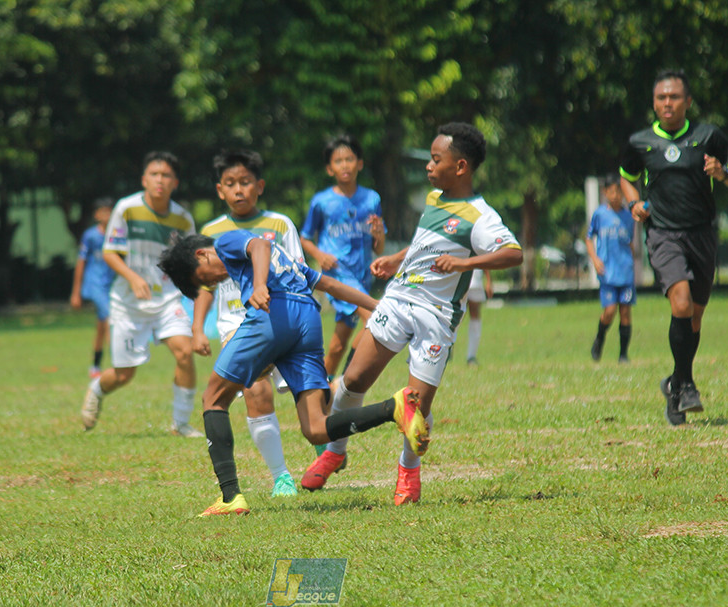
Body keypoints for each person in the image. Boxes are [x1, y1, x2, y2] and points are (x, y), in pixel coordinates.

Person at [301, 122, 523, 505]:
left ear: (461, 167)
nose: (428, 165)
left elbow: (513, 253)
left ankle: (408, 472)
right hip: (399, 300)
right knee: (353, 379)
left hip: (435, 317)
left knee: (417, 405)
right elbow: (425, 244)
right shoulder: (436, 199)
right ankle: (335, 451)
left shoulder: (481, 216)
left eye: (436, 159)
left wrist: (464, 264)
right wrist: (395, 258)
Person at [159, 230, 428, 516]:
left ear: (201, 254)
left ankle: (230, 497)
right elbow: (326, 283)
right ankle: (394, 408)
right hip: (307, 320)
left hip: (274, 311)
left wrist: (260, 285)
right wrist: (375, 305)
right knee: (315, 428)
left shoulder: (224, 242)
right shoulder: (283, 257)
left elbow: (259, 244)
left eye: (203, 278)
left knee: (213, 398)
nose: (212, 282)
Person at [619, 69, 728, 426]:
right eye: (661, 98)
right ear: (654, 103)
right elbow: (627, 179)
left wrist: (721, 173)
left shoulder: (709, 136)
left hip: (702, 234)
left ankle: (675, 385)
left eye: (674, 97)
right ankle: (686, 385)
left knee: (695, 317)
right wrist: (634, 205)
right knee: (682, 304)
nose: (668, 104)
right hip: (663, 235)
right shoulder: (640, 142)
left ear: (688, 102)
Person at [193, 149, 302, 497]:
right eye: (230, 183)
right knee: (255, 389)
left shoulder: (280, 225)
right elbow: (206, 286)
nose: (238, 189)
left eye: (245, 182)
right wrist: (197, 328)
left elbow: (298, 273)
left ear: (260, 185)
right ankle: (281, 476)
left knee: (312, 399)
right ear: (219, 190)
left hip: (282, 320)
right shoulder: (211, 231)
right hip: (236, 325)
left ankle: (325, 447)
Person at [79, 152, 202, 437]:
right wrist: (133, 278)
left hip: (167, 299)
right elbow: (110, 253)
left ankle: (181, 424)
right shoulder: (127, 208)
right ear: (144, 179)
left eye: (166, 175)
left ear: (175, 182)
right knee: (124, 374)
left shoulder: (183, 220)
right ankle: (97, 389)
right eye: (155, 174)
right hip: (128, 303)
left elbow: (187, 262)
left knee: (184, 353)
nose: (160, 180)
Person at [301, 135, 385, 384]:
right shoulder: (321, 202)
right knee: (374, 317)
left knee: (338, 344)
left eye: (350, 159)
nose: (345, 165)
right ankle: (347, 380)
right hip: (336, 274)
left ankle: (321, 387)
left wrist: (378, 234)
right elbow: (305, 238)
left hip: (361, 275)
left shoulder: (372, 199)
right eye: (338, 161)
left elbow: (378, 248)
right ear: (330, 168)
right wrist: (319, 255)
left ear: (360, 163)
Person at [585, 174, 636, 364]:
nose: (615, 195)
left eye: (619, 191)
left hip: (625, 270)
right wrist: (595, 259)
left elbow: (629, 241)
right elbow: (588, 238)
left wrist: (633, 258)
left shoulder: (628, 216)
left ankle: (623, 355)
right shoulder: (600, 214)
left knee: (625, 311)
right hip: (607, 271)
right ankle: (599, 339)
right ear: (605, 192)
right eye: (611, 191)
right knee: (609, 310)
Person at [70, 197, 115, 378]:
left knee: (101, 325)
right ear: (96, 215)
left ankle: (95, 366)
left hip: (111, 283)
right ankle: (118, 363)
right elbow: (81, 262)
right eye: (103, 211)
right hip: (95, 284)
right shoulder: (90, 235)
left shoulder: (117, 234)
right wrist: (76, 292)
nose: (107, 215)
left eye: (109, 211)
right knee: (111, 318)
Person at [463, 268, 492, 365]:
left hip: (475, 280)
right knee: (454, 315)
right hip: (458, 279)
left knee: (475, 314)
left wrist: (489, 281)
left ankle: (471, 355)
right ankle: (446, 351)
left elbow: (485, 255)